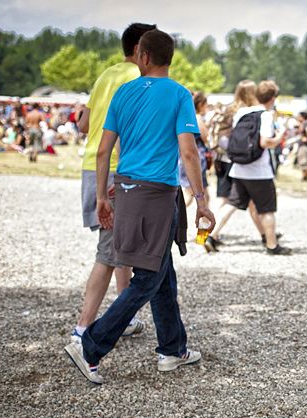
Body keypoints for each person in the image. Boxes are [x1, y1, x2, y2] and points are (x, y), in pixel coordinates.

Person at [65, 29, 216, 384]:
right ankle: (91, 345)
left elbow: (103, 149)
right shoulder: (179, 95)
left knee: (160, 270)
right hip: (158, 193)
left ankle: (172, 349)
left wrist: (102, 195)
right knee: (148, 277)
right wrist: (203, 199)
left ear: (142, 56)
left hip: (125, 187)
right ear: (168, 58)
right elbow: (188, 150)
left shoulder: (123, 91)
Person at [70, 22, 155, 345]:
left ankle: (126, 316)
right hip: (118, 171)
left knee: (120, 247)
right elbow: (130, 132)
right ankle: (82, 330)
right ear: (140, 50)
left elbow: (83, 123)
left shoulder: (106, 74)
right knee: (108, 253)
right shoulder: (138, 78)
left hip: (92, 166)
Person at [205, 80, 290, 255]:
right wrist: (280, 136)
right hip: (259, 172)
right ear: (273, 98)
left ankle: (210, 236)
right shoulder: (265, 115)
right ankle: (272, 245)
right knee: (267, 209)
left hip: (239, 168)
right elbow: (265, 142)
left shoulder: (242, 113)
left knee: (231, 204)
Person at [205, 80, 266, 253]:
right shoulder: (243, 112)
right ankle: (208, 235)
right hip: (234, 161)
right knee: (229, 201)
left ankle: (266, 235)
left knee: (230, 200)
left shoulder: (228, 108)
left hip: (220, 159)